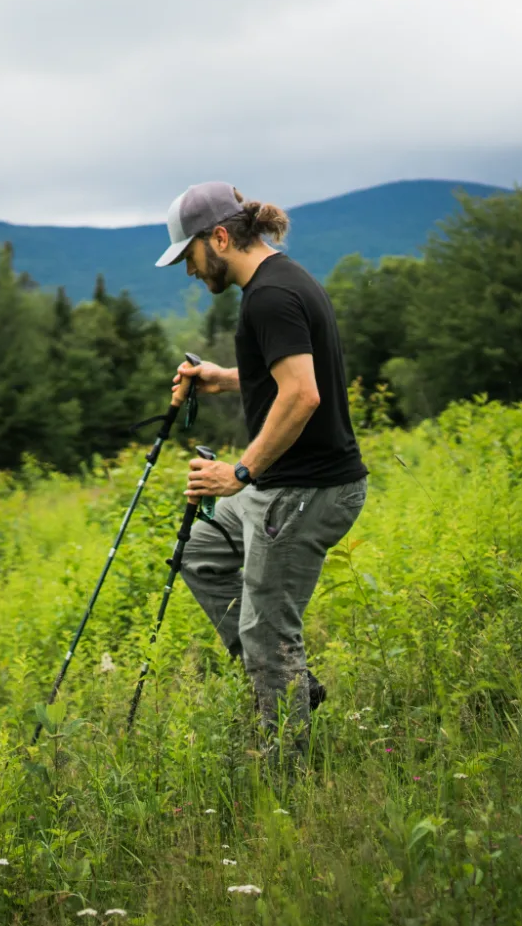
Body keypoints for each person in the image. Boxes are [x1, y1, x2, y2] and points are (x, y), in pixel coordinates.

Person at [156, 181, 370, 751]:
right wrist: (225, 378)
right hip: (284, 485)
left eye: (190, 255)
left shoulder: (271, 296)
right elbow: (289, 373)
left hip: (306, 491)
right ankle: (291, 684)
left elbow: (302, 396)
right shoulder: (278, 283)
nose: (189, 271)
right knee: (198, 552)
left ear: (219, 238)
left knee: (266, 628)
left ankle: (288, 780)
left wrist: (240, 472)